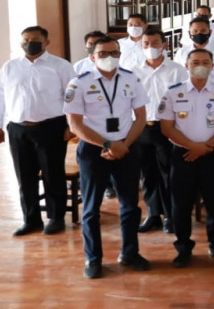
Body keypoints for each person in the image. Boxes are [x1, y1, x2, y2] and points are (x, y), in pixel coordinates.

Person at [64, 36, 150, 278]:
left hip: (126, 146)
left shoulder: (131, 78)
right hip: (94, 150)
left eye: (114, 52)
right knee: (91, 208)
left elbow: (141, 117)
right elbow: (75, 125)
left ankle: (130, 253)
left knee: (130, 205)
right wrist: (106, 143)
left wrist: (124, 145)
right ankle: (93, 259)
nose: (109, 57)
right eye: (102, 53)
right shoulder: (79, 83)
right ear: (92, 56)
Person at [0, 26, 76, 236]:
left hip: (51, 127)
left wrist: (71, 126)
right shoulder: (10, 67)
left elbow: (73, 97)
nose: (29, 43)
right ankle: (31, 219)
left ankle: (55, 218)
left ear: (46, 42)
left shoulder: (60, 66)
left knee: (52, 174)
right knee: (24, 176)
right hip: (19, 129)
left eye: (35, 40)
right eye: (25, 40)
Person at [160, 49, 214, 268]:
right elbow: (166, 127)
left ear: (213, 66)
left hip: (212, 154)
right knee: (181, 205)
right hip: (182, 155)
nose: (200, 65)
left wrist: (207, 146)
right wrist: (192, 146)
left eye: (206, 61)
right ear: (186, 65)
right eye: (195, 62)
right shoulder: (173, 92)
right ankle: (183, 247)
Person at [132, 26, 188, 234]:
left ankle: (171, 215)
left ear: (164, 45)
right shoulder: (133, 71)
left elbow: (183, 99)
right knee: (147, 174)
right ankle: (153, 214)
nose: (150, 47)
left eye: (155, 43)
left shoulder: (177, 70)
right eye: (146, 44)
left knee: (169, 174)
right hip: (142, 128)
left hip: (167, 128)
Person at [175, 17, 214, 88]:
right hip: (188, 94)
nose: (199, 33)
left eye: (203, 31)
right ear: (189, 33)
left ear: (210, 32)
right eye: (195, 31)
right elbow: (176, 77)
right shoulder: (181, 53)